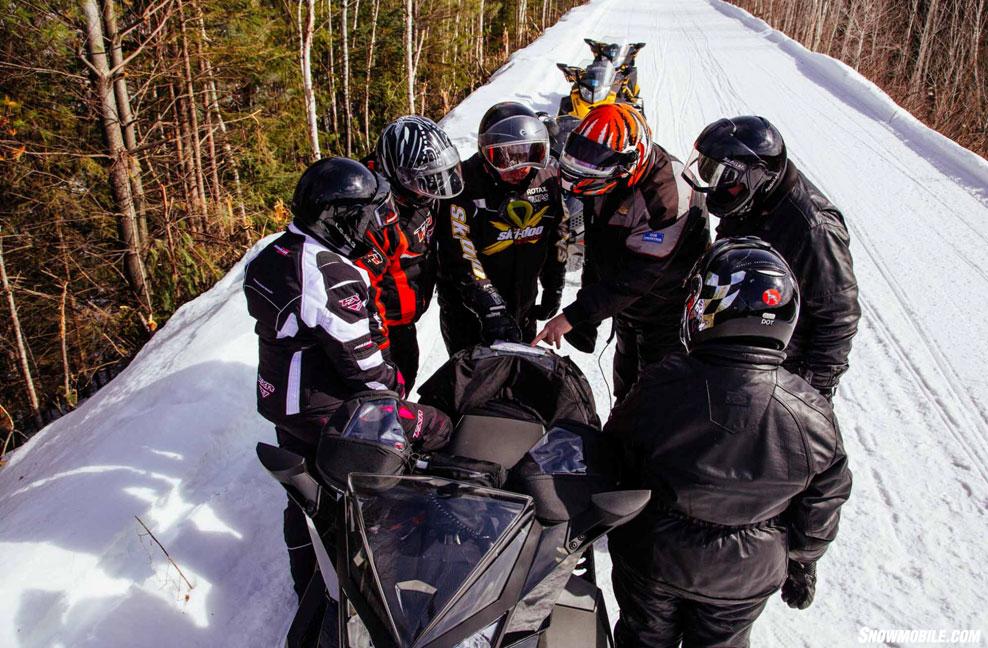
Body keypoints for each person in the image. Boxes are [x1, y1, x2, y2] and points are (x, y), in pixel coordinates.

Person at [605, 237, 853, 648]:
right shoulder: (811, 411)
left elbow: (612, 458)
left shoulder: (663, 383)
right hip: (745, 576)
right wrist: (803, 560)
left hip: (655, 560)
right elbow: (824, 500)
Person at [243, 156, 404, 603]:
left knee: (301, 493)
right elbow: (361, 362)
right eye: (365, 215)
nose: (372, 224)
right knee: (350, 500)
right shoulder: (328, 270)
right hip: (323, 407)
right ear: (340, 217)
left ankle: (309, 586)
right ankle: (356, 600)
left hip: (284, 397)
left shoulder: (274, 253)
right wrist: (393, 392)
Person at [533, 103, 708, 402]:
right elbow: (599, 246)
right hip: (627, 308)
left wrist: (574, 316)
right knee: (626, 387)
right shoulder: (603, 176)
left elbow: (638, 276)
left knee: (660, 398)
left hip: (668, 310)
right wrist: (589, 317)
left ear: (629, 164)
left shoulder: (666, 197)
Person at [682, 115, 860, 400]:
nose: (716, 187)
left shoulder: (814, 228)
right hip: (732, 349)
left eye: (724, 177)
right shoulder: (750, 202)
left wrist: (811, 394)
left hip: (780, 368)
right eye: (710, 171)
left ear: (758, 175)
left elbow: (838, 317)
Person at [435, 101, 568, 354]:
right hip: (469, 312)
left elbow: (558, 235)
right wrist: (490, 307)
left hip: (522, 305)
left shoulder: (548, 178)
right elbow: (460, 254)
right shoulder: (462, 184)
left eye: (531, 154)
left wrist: (554, 288)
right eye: (506, 157)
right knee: (473, 385)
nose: (519, 168)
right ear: (485, 152)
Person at [357, 116, 464, 390]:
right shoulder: (370, 215)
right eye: (423, 181)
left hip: (406, 319)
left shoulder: (423, 195)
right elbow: (364, 291)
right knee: (387, 392)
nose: (431, 188)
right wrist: (378, 349)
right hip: (380, 328)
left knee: (407, 376)